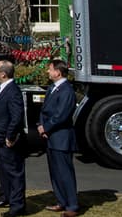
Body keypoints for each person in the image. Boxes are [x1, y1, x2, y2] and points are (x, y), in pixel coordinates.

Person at [37, 59, 79, 217]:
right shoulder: (52, 88)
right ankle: (61, 201)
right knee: (55, 172)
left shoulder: (67, 90)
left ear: (58, 72)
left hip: (62, 138)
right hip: (51, 137)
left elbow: (62, 115)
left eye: (50, 69)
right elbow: (45, 109)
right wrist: (41, 125)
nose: (48, 72)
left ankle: (72, 205)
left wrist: (46, 127)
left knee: (65, 172)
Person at [0, 59, 26, 217]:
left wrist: (10, 136)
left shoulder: (13, 91)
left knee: (14, 172)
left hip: (7, 139)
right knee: (4, 171)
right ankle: (7, 196)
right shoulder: (2, 88)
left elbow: (16, 116)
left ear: (3, 74)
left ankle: (17, 206)